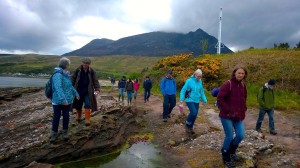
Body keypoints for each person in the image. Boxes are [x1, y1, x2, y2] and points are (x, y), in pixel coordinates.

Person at [217, 65, 248, 167]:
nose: (240, 75)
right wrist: (229, 110)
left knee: (240, 135)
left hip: (238, 116)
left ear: (244, 75)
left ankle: (231, 151)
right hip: (226, 115)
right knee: (229, 136)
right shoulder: (228, 84)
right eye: (239, 73)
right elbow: (220, 99)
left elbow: (244, 99)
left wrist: (244, 109)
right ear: (235, 73)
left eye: (242, 73)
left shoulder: (243, 85)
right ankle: (225, 156)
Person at [50, 57, 79, 143]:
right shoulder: (57, 75)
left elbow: (69, 86)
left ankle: (65, 133)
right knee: (56, 116)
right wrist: (63, 100)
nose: (69, 66)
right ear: (66, 65)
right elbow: (58, 88)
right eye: (68, 65)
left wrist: (76, 94)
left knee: (66, 116)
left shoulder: (66, 74)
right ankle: (53, 134)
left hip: (68, 101)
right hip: (58, 101)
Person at [72, 57, 100, 126]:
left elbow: (95, 81)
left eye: (86, 63)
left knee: (88, 104)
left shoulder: (92, 71)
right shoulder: (77, 70)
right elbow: (72, 79)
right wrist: (70, 88)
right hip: (78, 91)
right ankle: (78, 117)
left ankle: (87, 119)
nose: (85, 65)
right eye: (84, 63)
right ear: (82, 63)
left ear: (89, 64)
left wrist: (97, 89)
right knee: (78, 105)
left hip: (88, 91)